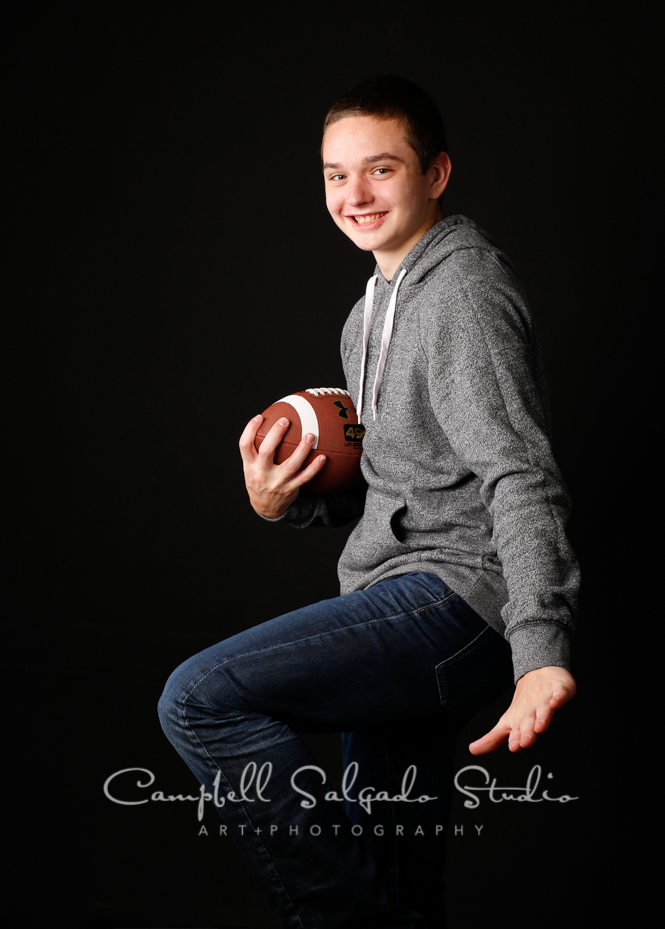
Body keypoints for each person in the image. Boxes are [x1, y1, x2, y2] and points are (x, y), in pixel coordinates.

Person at [159, 76, 579, 929]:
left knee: (201, 699)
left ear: (437, 173)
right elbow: (402, 484)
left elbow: (520, 472)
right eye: (334, 174)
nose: (354, 195)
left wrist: (541, 648)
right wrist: (283, 502)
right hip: (394, 589)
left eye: (379, 169)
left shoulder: (462, 294)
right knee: (397, 867)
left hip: (456, 598)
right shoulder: (368, 313)